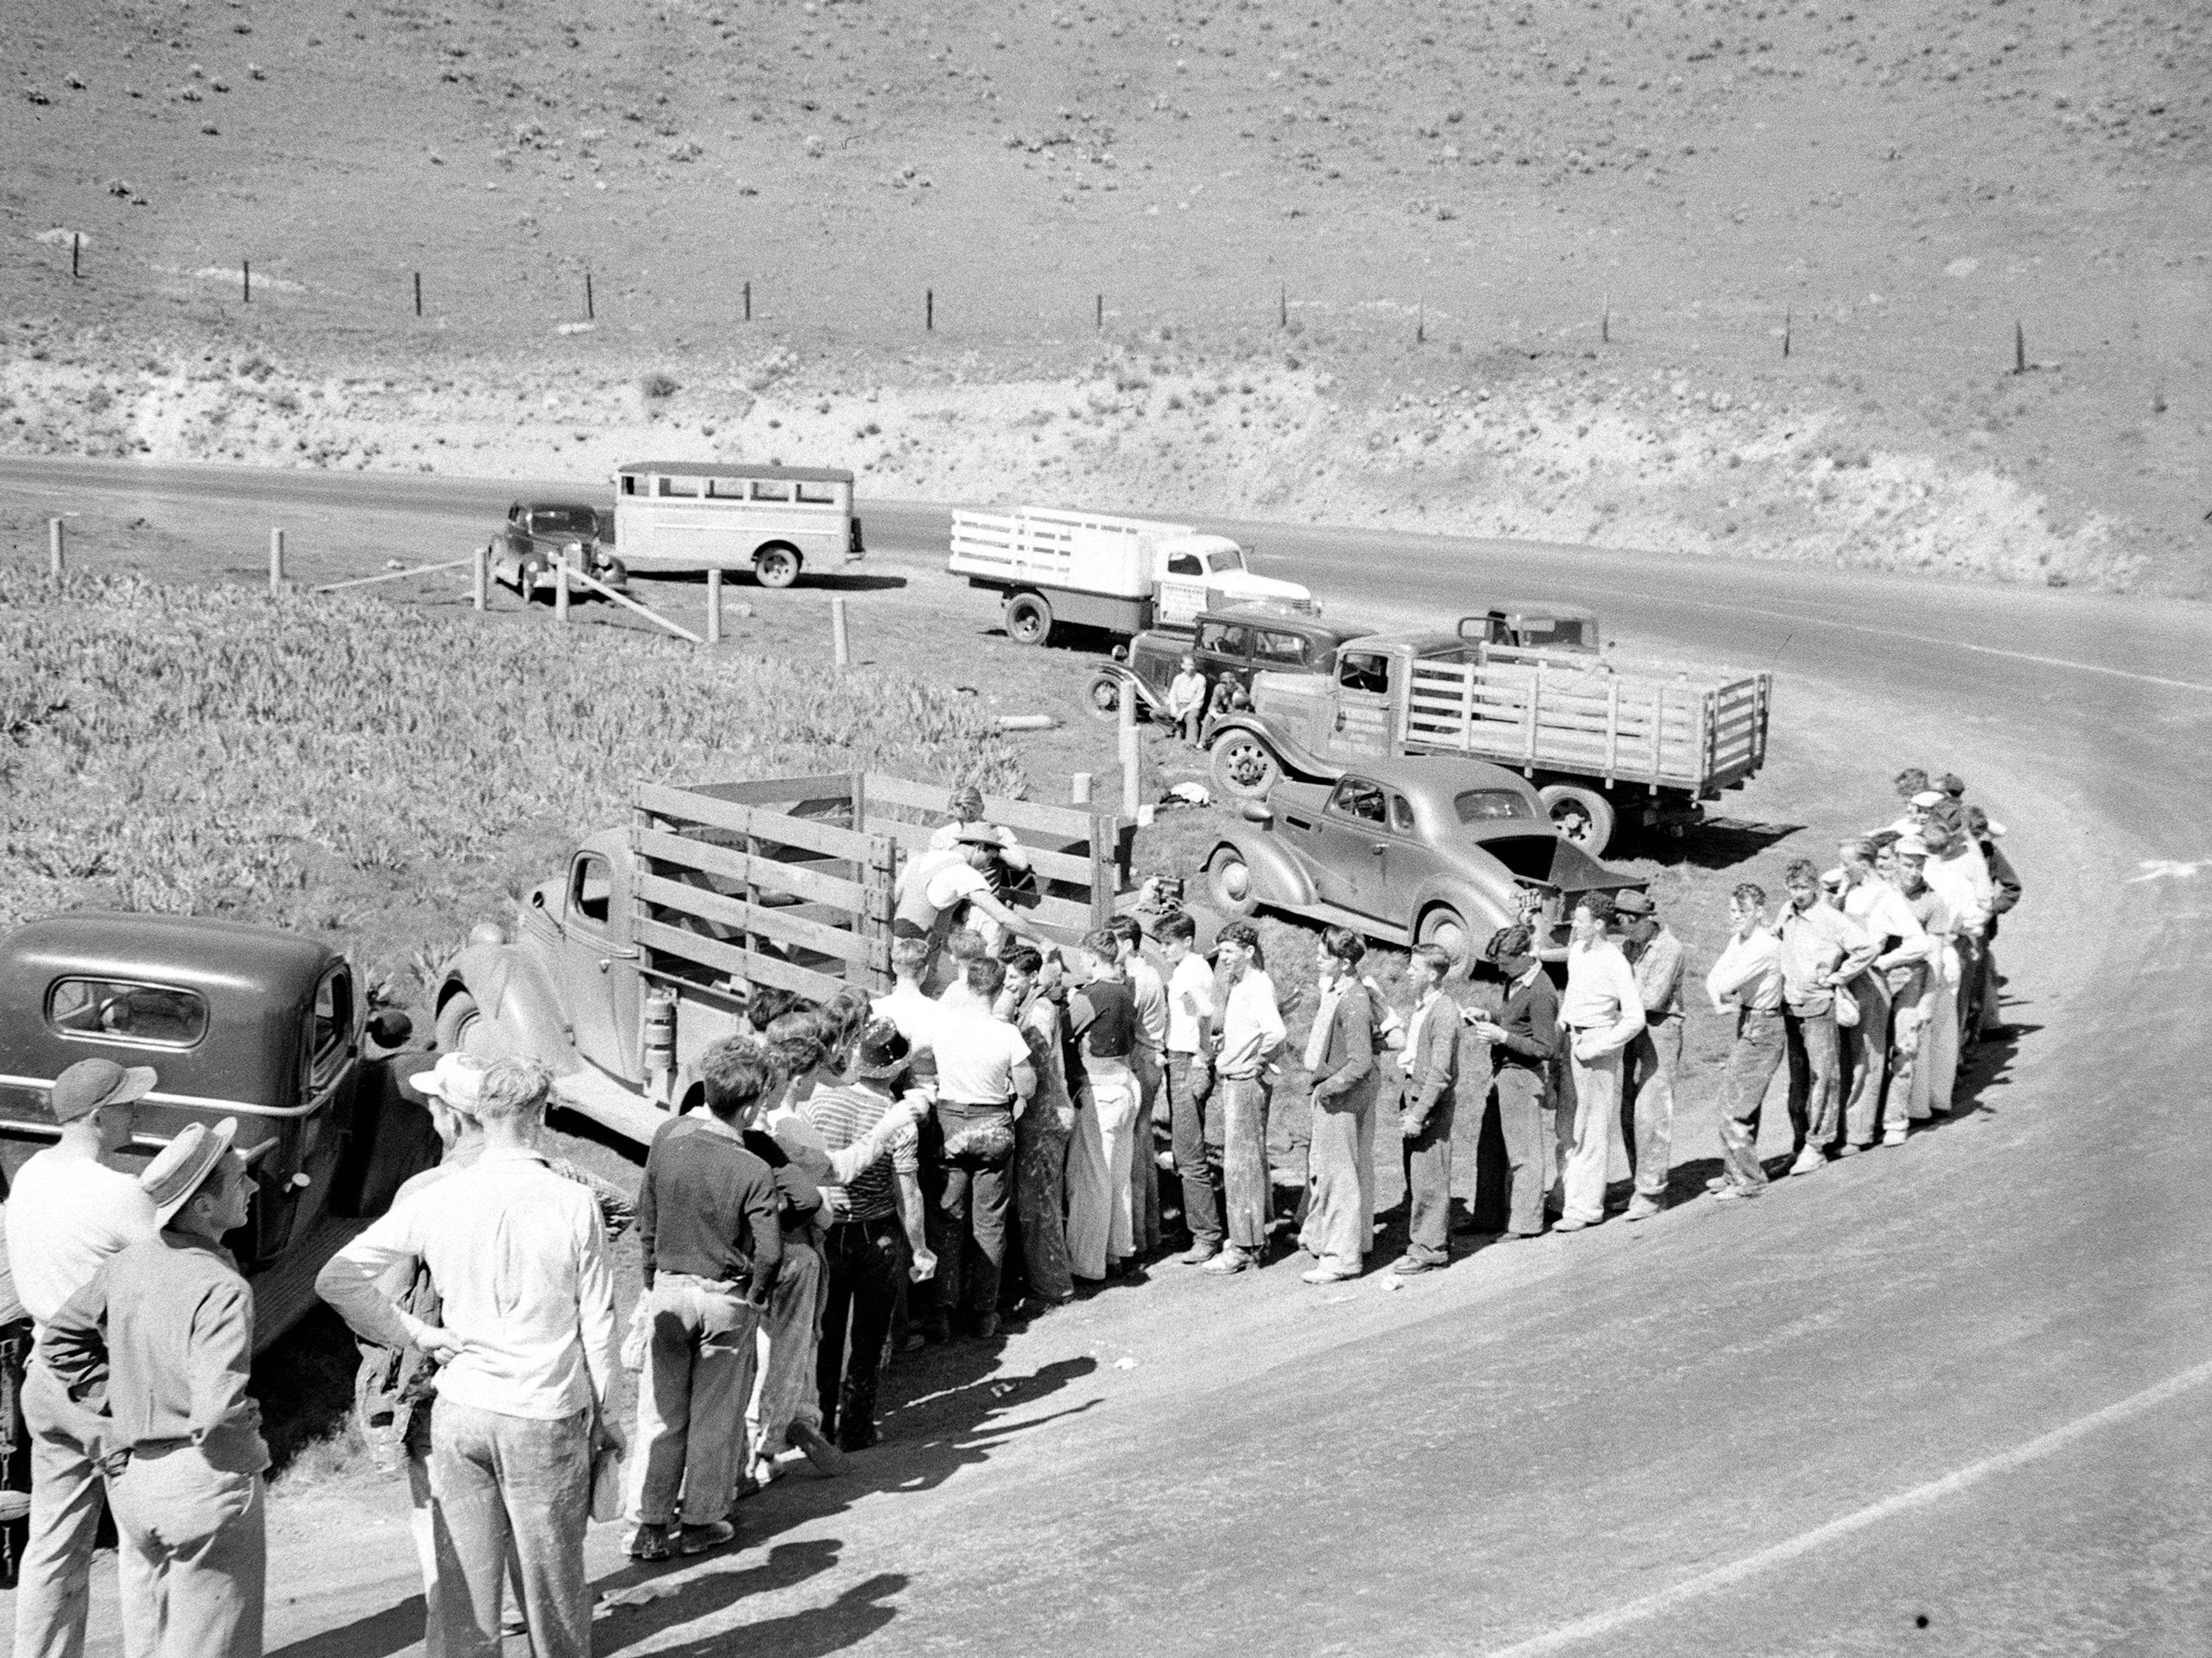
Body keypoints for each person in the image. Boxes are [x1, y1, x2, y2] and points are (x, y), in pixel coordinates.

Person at [319, 1059, 618, 1657]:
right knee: (553, 1588)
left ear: (476, 1114)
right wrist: (606, 1418)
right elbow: (599, 1325)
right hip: (544, 1411)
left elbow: (338, 1277)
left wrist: (416, 1333)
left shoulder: (440, 1195)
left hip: (461, 1410)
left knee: (464, 1595)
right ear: (540, 1114)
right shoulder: (574, 1202)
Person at [35, 1118, 264, 1658]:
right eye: (239, 1180)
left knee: (158, 1639)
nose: (254, 1187)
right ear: (203, 1209)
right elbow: (218, 1414)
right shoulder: (221, 1287)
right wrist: (253, 1455)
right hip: (204, 1479)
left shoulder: (127, 1264)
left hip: (137, 1484)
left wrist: (120, 1406)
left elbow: (60, 1344)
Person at [7, 1056, 160, 1658]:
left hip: (45, 1372)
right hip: (108, 1381)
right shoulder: (120, 1192)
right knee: (143, 1541)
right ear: (99, 1117)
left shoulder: (32, 1174)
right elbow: (165, 1279)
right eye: (128, 1104)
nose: (137, 1112)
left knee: (53, 1543)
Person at [801, 1021, 936, 1452]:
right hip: (875, 1234)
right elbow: (906, 1193)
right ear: (897, 1070)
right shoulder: (899, 1121)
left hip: (828, 1231)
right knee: (869, 1335)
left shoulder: (821, 1103)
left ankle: (820, 1424)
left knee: (827, 1332)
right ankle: (857, 1427)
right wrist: (919, 1248)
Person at [926, 956, 1036, 1334]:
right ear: (1000, 987)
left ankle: (941, 1311)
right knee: (990, 1221)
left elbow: (922, 1062)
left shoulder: (943, 1028)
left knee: (948, 1219)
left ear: (967, 985)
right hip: (994, 1123)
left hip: (951, 1124)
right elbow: (1027, 1086)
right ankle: (984, 1313)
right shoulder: (1006, 1034)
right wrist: (1012, 1100)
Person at [1774, 857, 1877, 1174]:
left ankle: (1819, 1144)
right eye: (1793, 887)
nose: (1799, 893)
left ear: (1816, 886)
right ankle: (1799, 1144)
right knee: (1798, 1083)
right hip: (1791, 1007)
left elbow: (1866, 948)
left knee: (1824, 1077)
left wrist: (1839, 977)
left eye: (1804, 887)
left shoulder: (1829, 918)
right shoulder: (1787, 913)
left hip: (1820, 1007)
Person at [1833, 838, 1936, 1154]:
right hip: (1847, 978)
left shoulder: (1888, 898)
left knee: (1867, 1058)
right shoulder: (1852, 892)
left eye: (1844, 863)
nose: (1841, 869)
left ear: (1863, 865)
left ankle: (1860, 1134)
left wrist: (1884, 962)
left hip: (1871, 983)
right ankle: (1845, 1128)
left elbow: (1920, 943)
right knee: (1846, 1058)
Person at [1552, 894, 1646, 1232]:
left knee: (1592, 1129)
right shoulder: (1578, 951)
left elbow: (1635, 1018)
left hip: (1597, 1044)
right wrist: (1563, 1023)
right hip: (1571, 1041)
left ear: (1600, 925)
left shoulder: (1615, 961)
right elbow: (1575, 992)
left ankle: (1586, 1208)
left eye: (1580, 920)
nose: (1573, 925)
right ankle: (1564, 1197)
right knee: (1568, 1126)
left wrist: (1598, 1048)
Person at [1201, 923, 1285, 1275]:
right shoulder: (1245, 985)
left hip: (1245, 1084)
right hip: (1237, 1079)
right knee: (1246, 1163)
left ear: (1249, 952)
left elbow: (1276, 1033)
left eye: (1230, 953)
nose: (1224, 960)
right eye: (1221, 953)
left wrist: (1256, 1062)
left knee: (1241, 1167)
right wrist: (1233, 1045)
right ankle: (1251, 1237)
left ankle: (1244, 1247)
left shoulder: (1256, 986)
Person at [1464, 925, 1558, 1239]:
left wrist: (1502, 1036)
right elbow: (1517, 1022)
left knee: (1524, 1155)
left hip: (1522, 1076)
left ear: (1524, 956)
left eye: (1504, 961)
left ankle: (1526, 1224)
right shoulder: (1516, 981)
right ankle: (1487, 1218)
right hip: (1503, 1074)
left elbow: (1547, 1048)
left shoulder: (1542, 991)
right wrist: (1490, 1017)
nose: (1499, 968)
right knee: (1489, 1150)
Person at [1297, 929, 1379, 1284]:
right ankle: (1326, 1239)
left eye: (1325, 955)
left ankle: (1341, 1259)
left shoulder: (1354, 1001)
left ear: (1345, 964)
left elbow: (1360, 1062)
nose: (1318, 959)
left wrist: (1327, 1089)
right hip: (1339, 1094)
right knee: (1330, 1173)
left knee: (1339, 1177)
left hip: (1342, 1097)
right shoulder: (1345, 993)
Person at [1001, 947, 1077, 1307]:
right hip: (1042, 1116)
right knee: (1036, 1203)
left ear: (1032, 977)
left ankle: (1054, 1287)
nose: (1008, 984)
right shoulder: (1031, 1007)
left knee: (1040, 1206)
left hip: (1044, 1119)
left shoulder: (1039, 1014)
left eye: (1014, 977)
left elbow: (1033, 1067)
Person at [1065, 933, 1143, 1284]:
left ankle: (1087, 1263)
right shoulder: (1127, 989)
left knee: (1092, 1177)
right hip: (1126, 1083)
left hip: (1101, 1090)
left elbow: (1063, 1030)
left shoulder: (1090, 996)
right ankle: (1116, 1251)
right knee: (1117, 1175)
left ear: (1093, 960)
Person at [1707, 883, 1787, 1199]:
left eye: (1743, 911)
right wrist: (1718, 1001)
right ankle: (1734, 1172)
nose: (1736, 917)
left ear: (1759, 913)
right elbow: (1714, 980)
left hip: (1765, 1027)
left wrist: (1721, 996)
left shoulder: (1764, 946)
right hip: (1749, 1021)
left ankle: (1749, 1179)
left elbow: (1726, 982)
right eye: (1732, 910)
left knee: (1735, 1106)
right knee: (1735, 1101)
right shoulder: (1740, 940)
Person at [1387, 943, 1459, 1275]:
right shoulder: (1424, 1007)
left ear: (1432, 975)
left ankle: (1430, 1250)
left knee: (1429, 1178)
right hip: (1413, 1095)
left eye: (1414, 969)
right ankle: (1431, 1239)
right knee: (1418, 1174)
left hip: (1429, 1103)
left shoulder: (1444, 1013)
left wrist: (1418, 1114)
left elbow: (1441, 1073)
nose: (1408, 973)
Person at [1613, 889, 1684, 1221]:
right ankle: (1638, 1185)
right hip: (1632, 1030)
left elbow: (1653, 999)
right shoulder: (1630, 946)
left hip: (1660, 1030)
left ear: (1643, 920)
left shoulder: (1670, 949)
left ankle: (1653, 1193)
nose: (1624, 930)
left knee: (1651, 1112)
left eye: (1627, 923)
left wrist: (1610, 1008)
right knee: (1628, 1111)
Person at [1157, 911, 1224, 1264]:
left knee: (1188, 1153)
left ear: (1187, 941)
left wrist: (1202, 1051)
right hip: (1181, 1057)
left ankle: (1206, 1235)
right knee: (1186, 1148)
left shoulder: (1189, 971)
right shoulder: (1195, 967)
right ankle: (1197, 1226)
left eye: (1169, 944)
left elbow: (1205, 1009)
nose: (1165, 950)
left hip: (1187, 1061)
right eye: (1162, 944)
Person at [895, 830, 1036, 985]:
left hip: (898, 945)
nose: (988, 864)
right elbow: (1002, 916)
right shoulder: (964, 872)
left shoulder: (922, 858)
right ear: (979, 847)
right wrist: (1041, 940)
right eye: (990, 857)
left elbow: (895, 897)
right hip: (919, 958)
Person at [1893, 834, 1963, 1122]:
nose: (1914, 872)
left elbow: (1934, 956)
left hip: (1923, 976)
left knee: (1921, 1039)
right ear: (1896, 861)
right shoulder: (1887, 893)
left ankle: (1921, 1108)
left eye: (1919, 866)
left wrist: (1928, 999)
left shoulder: (1933, 901)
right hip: (1891, 978)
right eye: (1908, 865)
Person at [1111, 916, 1169, 1257]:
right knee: (1143, 1144)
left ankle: (1139, 1233)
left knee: (1135, 1147)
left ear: (1129, 945)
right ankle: (1149, 1230)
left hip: (1142, 1061)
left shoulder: (1137, 980)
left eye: (1114, 943)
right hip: (1151, 1058)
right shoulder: (1150, 974)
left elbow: (1122, 1022)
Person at [873, 934, 948, 1095]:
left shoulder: (876, 1008)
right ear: (926, 970)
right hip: (922, 1091)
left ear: (894, 967)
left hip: (882, 1089)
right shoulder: (938, 1011)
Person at [926, 783, 1033, 874]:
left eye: (971, 820)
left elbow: (1022, 864)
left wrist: (994, 847)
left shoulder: (999, 832)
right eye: (961, 820)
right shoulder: (943, 834)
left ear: (982, 809)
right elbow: (930, 870)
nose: (966, 825)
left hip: (985, 894)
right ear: (953, 811)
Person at [1164, 653, 1209, 745]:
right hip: (1179, 704)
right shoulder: (1178, 678)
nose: (1191, 668)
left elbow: (1199, 701)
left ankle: (1191, 743)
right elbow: (1172, 694)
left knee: (1191, 717)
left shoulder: (1200, 679)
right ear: (1183, 666)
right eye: (1188, 665)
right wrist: (1173, 707)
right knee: (1155, 714)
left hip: (1192, 706)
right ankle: (1178, 729)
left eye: (1192, 665)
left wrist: (1184, 711)